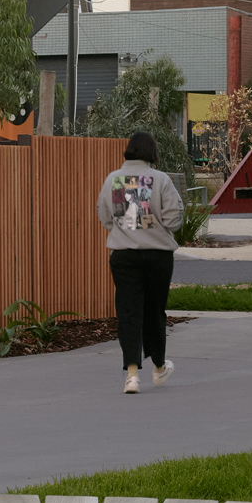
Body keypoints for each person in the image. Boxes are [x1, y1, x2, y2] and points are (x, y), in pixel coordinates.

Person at [96, 131, 180, 394]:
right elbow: (173, 220)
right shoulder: (162, 180)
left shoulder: (113, 180)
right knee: (154, 311)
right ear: (151, 152)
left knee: (129, 313)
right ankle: (158, 365)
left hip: (123, 256)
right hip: (157, 255)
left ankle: (131, 375)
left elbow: (105, 217)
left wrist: (125, 228)